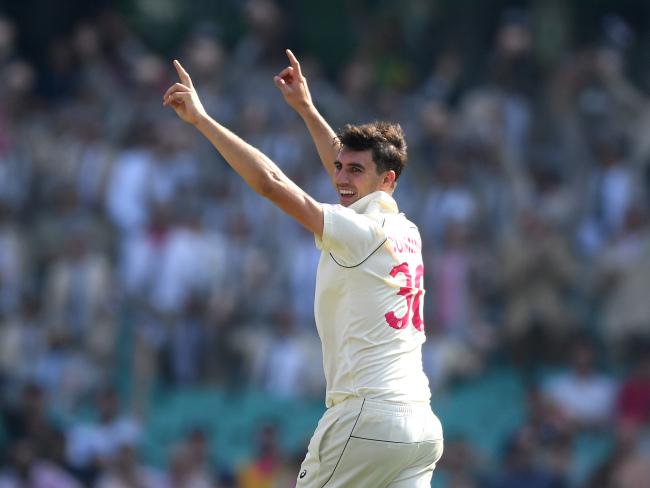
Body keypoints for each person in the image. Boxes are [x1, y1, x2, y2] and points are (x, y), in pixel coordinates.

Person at [163, 48, 444, 487]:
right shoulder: (404, 228)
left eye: (355, 171)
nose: (341, 179)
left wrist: (202, 120)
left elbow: (270, 184)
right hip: (419, 428)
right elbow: (345, 163)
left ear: (387, 180)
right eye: (340, 168)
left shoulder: (361, 232)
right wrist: (306, 108)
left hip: (365, 418)